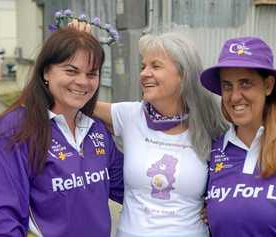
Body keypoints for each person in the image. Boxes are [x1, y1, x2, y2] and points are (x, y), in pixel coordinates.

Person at [0, 27, 124, 237]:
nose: (82, 81)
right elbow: (1, 217)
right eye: (71, 71)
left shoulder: (95, 128)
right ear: (45, 73)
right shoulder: (16, 129)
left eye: (91, 74)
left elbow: (131, 186)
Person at [94, 31, 228, 237]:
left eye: (155, 66)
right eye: (143, 66)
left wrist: (220, 205)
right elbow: (76, 99)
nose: (144, 73)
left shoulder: (211, 124)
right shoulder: (129, 115)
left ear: (184, 75)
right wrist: (77, 42)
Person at [200, 36, 276, 236]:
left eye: (245, 83)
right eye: (227, 86)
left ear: (268, 85)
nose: (235, 96)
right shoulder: (215, 148)